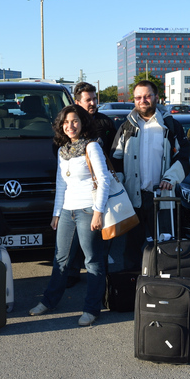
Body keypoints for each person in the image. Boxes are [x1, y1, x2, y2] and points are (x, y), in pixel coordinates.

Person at [28, 104, 110, 327]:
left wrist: (98, 212)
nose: (70, 126)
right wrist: (57, 213)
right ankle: (48, 301)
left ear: (83, 123)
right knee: (60, 260)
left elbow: (104, 180)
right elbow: (61, 183)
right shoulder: (63, 150)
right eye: (65, 122)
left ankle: (92, 309)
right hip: (67, 211)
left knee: (92, 262)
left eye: (74, 121)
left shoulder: (92, 147)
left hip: (87, 211)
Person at [111, 81, 190, 270]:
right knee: (132, 250)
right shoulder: (126, 127)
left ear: (156, 97)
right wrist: (120, 186)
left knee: (165, 246)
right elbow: (115, 159)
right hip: (134, 198)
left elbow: (184, 159)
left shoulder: (170, 126)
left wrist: (170, 178)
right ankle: (133, 288)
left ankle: (164, 287)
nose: (143, 100)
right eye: (138, 97)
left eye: (147, 96)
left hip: (162, 199)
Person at [67, 81, 117, 286]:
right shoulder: (68, 123)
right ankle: (71, 273)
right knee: (74, 238)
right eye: (88, 100)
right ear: (77, 102)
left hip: (101, 188)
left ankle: (101, 278)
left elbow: (115, 152)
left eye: (95, 99)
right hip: (78, 191)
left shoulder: (105, 123)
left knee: (101, 237)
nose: (93, 103)